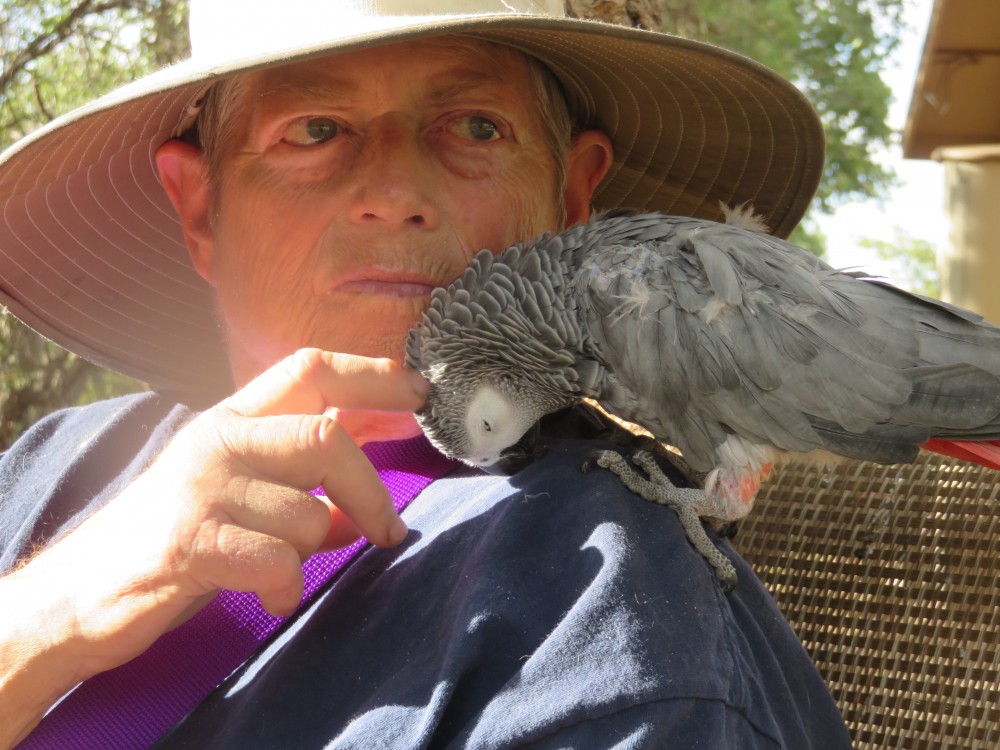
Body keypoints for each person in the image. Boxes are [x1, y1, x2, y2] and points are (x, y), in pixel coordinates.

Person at [0, 0, 851, 747]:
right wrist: (44, 622)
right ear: (199, 209)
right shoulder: (53, 464)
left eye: (477, 127)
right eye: (315, 129)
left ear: (569, 202)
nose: (398, 190)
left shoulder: (600, 602)